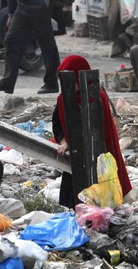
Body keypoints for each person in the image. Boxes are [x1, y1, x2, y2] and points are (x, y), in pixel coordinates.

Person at [52, 55, 132, 208]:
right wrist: (64, 141)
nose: (66, 84)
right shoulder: (64, 99)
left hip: (98, 151)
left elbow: (101, 130)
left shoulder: (95, 97)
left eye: (71, 80)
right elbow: (57, 123)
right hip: (76, 154)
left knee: (103, 194)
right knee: (73, 201)